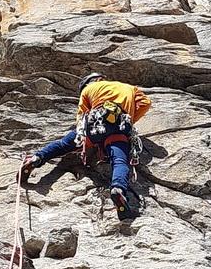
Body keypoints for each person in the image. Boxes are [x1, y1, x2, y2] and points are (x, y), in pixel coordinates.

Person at [20, 73, 152, 218]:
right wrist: (130, 119)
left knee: (63, 144)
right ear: (101, 79)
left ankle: (36, 158)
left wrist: (84, 134)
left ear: (89, 83)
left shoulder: (89, 89)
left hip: (94, 124)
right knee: (120, 160)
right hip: (119, 126)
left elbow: (82, 116)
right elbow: (146, 104)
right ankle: (118, 189)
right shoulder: (129, 88)